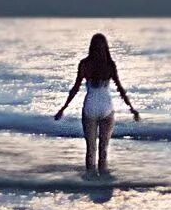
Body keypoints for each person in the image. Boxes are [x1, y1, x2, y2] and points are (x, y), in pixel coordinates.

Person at [54, 32, 140, 174]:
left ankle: (90, 182)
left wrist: (63, 108)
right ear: (106, 47)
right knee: (103, 149)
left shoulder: (85, 64)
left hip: (90, 108)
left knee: (90, 149)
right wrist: (132, 109)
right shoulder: (110, 65)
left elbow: (75, 89)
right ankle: (102, 183)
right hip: (107, 108)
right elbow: (120, 89)